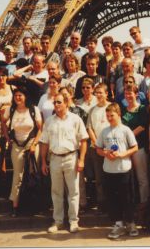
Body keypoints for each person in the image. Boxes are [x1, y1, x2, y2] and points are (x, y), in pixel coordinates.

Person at [40, 93, 88, 234]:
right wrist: (43, 161)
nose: (56, 105)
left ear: (66, 103)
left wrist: (82, 160)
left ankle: (74, 221)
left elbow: (83, 140)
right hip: (54, 158)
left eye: (59, 102)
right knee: (56, 192)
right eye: (55, 102)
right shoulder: (49, 121)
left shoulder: (75, 119)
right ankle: (58, 222)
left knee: (73, 192)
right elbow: (44, 142)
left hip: (71, 158)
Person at [96, 103, 139, 239]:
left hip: (124, 169)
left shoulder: (126, 130)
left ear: (119, 114)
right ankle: (118, 224)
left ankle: (131, 223)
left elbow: (135, 147)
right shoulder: (104, 131)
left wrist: (122, 154)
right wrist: (105, 154)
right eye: (107, 116)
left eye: (112, 115)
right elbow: (98, 149)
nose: (109, 118)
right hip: (109, 170)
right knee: (113, 199)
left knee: (127, 198)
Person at [2, 86, 42, 217]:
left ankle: (33, 205)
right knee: (17, 176)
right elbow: (3, 123)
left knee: (32, 174)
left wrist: (35, 144)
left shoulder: (33, 109)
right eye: (16, 96)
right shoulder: (11, 109)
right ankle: (15, 206)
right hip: (17, 145)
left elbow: (40, 129)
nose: (18, 98)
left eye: (20, 95)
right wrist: (8, 137)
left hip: (31, 143)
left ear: (25, 97)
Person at [121, 84, 149, 207]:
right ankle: (131, 202)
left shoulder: (142, 109)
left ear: (136, 94)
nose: (128, 96)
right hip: (125, 148)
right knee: (129, 177)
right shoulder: (123, 110)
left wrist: (128, 136)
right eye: (126, 94)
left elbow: (142, 126)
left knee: (141, 177)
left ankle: (144, 202)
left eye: (130, 93)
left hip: (139, 147)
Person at [86, 83, 110, 211]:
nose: (98, 95)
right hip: (96, 148)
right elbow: (89, 128)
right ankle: (102, 203)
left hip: (111, 148)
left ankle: (112, 202)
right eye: (97, 92)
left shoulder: (112, 107)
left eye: (101, 92)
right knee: (99, 177)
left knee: (111, 176)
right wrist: (97, 144)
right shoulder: (92, 110)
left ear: (106, 93)